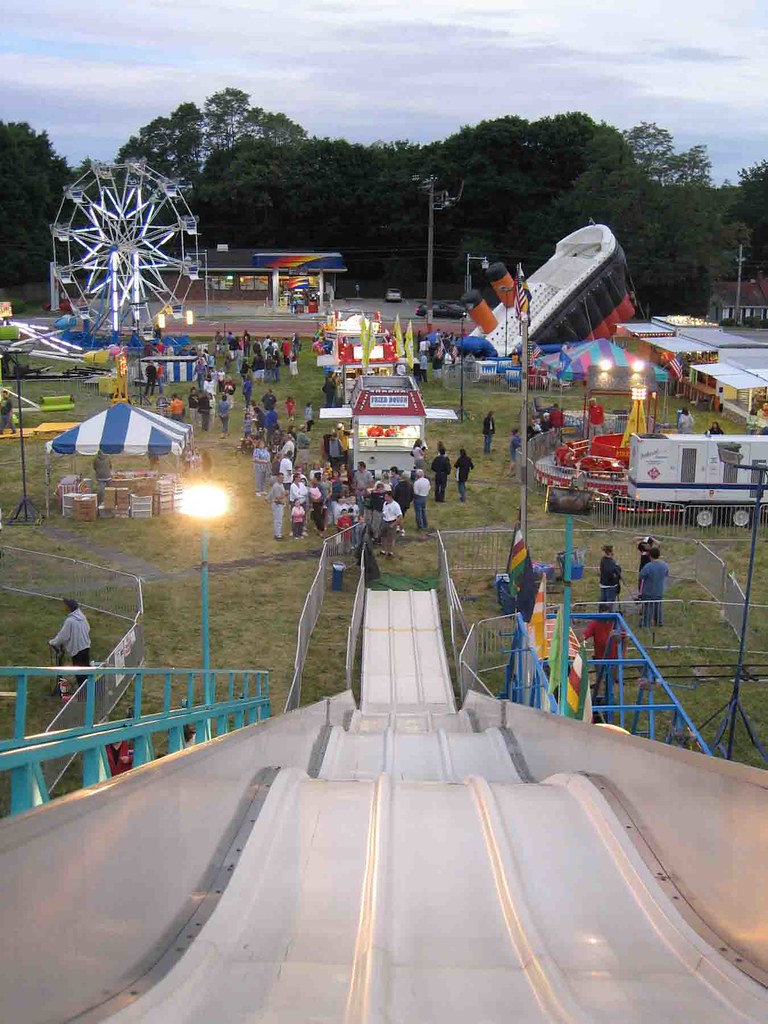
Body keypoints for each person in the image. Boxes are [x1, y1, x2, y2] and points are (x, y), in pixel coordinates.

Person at [49, 598, 91, 685]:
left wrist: (52, 642)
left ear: (69, 608)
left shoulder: (70, 621)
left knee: (79, 675)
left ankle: (83, 695)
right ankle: (87, 692)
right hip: (86, 648)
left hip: (77, 651)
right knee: (86, 672)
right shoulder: (83, 618)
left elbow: (63, 636)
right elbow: (88, 629)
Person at [639, 546, 669, 628]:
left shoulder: (648, 566)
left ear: (650, 555)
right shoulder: (664, 565)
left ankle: (646, 623)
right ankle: (659, 621)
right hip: (659, 590)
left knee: (647, 608)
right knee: (658, 607)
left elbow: (641, 576)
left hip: (648, 591)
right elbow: (666, 574)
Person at [380, 491, 403, 557]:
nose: (385, 498)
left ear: (390, 497)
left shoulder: (395, 505)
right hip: (385, 521)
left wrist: (393, 524)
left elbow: (400, 516)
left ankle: (390, 552)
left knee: (391, 538)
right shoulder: (385, 503)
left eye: (386, 496)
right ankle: (383, 550)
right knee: (383, 537)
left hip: (391, 522)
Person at [269, 472, 286, 539]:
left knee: (279, 520)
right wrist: (285, 494)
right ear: (278, 478)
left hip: (279, 504)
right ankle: (277, 535)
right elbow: (277, 498)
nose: (282, 479)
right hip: (277, 504)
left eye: (283, 478)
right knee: (278, 520)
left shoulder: (280, 485)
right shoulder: (277, 486)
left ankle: (278, 533)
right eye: (281, 478)